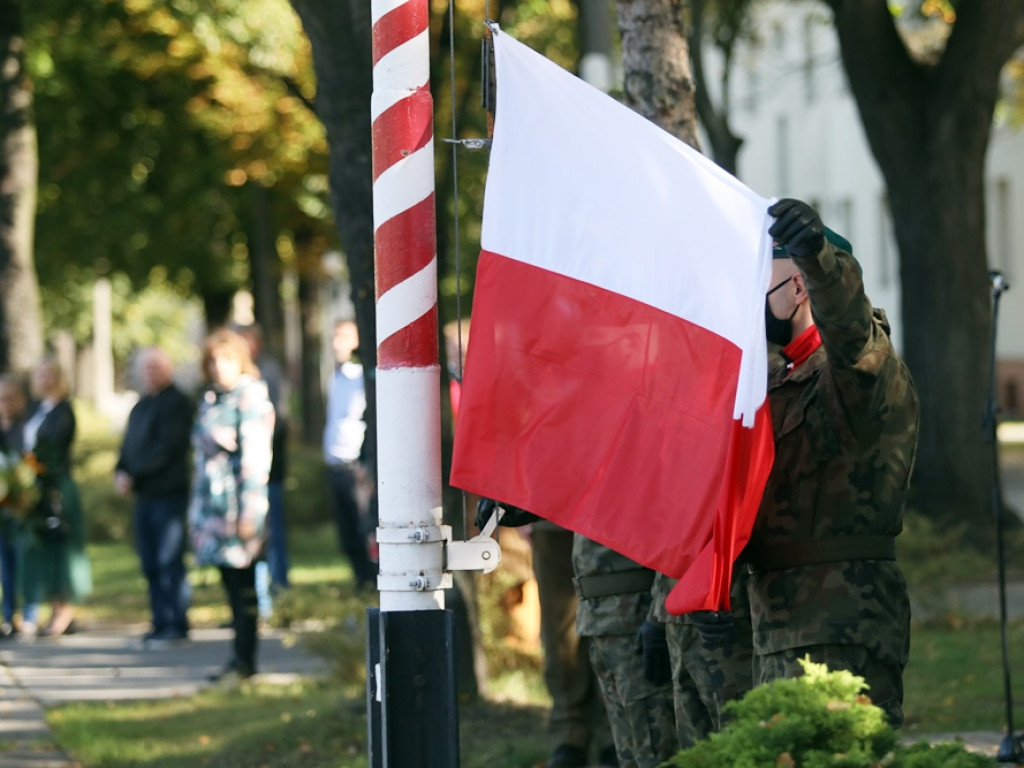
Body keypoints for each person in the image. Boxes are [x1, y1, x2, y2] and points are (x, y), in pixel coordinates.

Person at [748, 198, 920, 726]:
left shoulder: (857, 374)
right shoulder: (781, 379)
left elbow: (850, 327)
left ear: (799, 287)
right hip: (781, 627)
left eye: (764, 282)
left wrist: (815, 254)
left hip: (841, 629)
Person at [190, 329, 274, 681]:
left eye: (225, 360)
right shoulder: (212, 399)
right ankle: (239, 658)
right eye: (213, 361)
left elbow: (256, 459)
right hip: (213, 507)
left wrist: (250, 513)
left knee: (244, 585)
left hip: (239, 505)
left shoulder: (250, 397)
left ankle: (246, 659)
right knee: (231, 585)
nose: (218, 367)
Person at [574, 535, 677, 768]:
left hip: (636, 613)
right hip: (599, 616)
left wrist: (659, 614)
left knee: (656, 753)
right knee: (631, 755)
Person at [114, 348, 193, 643]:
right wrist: (121, 470)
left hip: (168, 494)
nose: (151, 374)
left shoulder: (178, 403)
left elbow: (169, 449)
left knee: (169, 559)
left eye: (156, 368)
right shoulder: (141, 404)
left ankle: (176, 622)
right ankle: (160, 620)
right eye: (146, 369)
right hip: (144, 496)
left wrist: (136, 474)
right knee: (149, 561)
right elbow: (128, 444)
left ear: (168, 369)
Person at [20, 359, 92, 638]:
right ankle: (52, 607)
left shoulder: (64, 410)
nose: (45, 380)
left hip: (56, 485)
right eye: (41, 374)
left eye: (51, 375)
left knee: (62, 546)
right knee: (43, 548)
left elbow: (53, 449)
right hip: (35, 485)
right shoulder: (36, 409)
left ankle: (64, 609)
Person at [237, 324, 290, 618]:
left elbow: (278, 421)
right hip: (241, 479)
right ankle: (256, 602)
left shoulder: (267, 373)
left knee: (274, 538)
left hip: (270, 471)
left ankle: (279, 597)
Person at [323, 319, 376, 590]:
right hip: (336, 462)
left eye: (343, 337)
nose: (336, 343)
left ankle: (370, 582)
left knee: (362, 527)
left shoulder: (362, 378)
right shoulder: (336, 376)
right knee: (346, 532)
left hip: (355, 464)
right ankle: (359, 582)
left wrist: (364, 463)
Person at [0, 375, 30, 638]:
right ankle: (8, 614)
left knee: (22, 560)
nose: (5, 404)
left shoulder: (26, 427)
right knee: (4, 565)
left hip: (21, 504)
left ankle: (26, 615)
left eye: (10, 398)